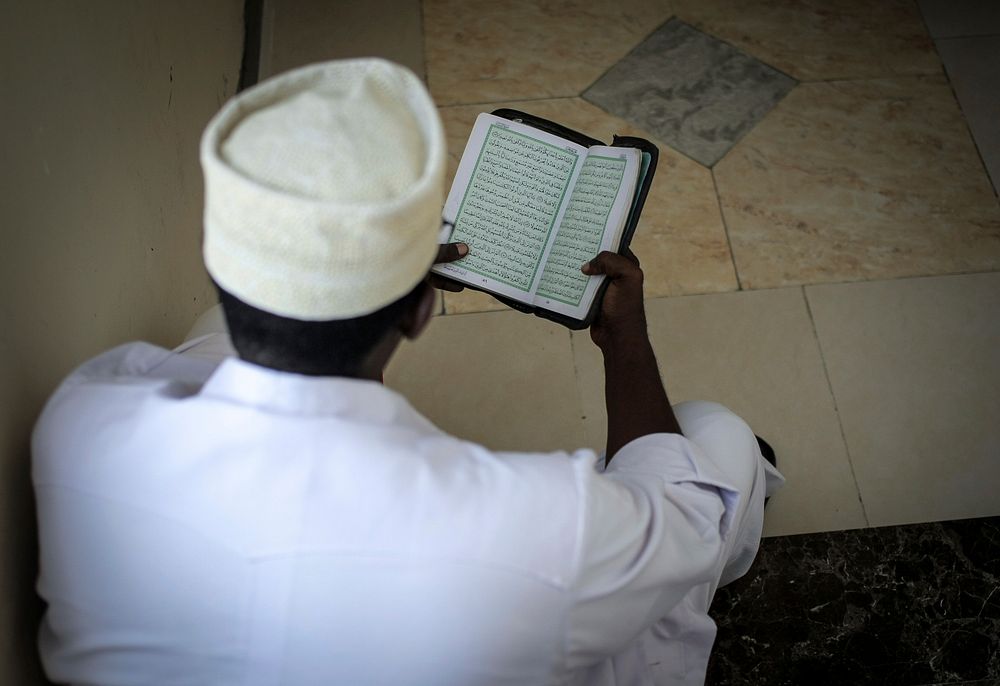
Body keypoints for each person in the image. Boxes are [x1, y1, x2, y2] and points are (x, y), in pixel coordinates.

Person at [32, 58, 784, 685]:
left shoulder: (83, 416)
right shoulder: (534, 525)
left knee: (203, 342)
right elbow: (681, 516)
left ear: (224, 269)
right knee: (716, 442)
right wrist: (626, 341)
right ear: (420, 312)